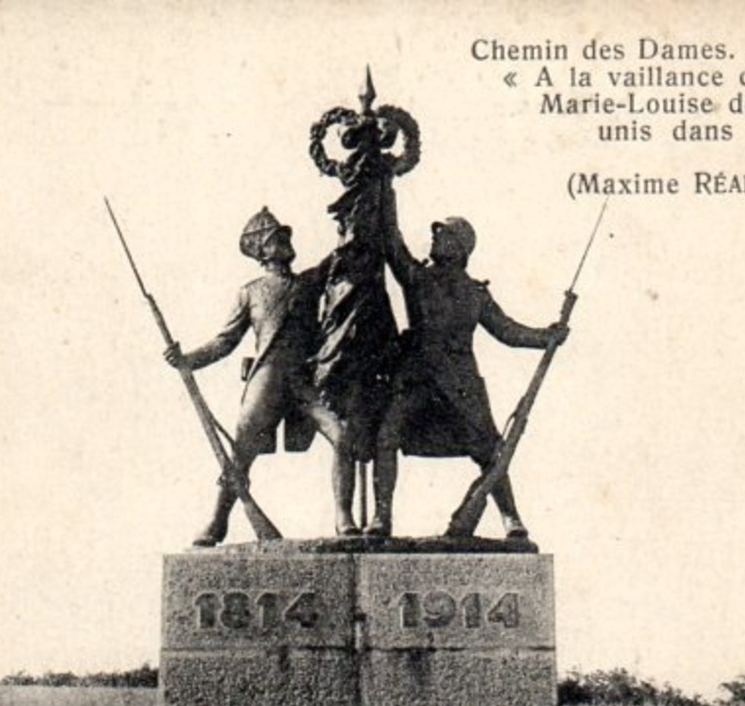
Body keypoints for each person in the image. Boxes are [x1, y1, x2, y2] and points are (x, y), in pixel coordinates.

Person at [371, 182, 568, 538]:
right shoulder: (417, 277)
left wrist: (546, 336)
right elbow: (391, 240)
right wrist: (385, 188)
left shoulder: (475, 293)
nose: (435, 238)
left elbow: (507, 331)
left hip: (460, 382)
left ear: (459, 248)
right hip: (416, 376)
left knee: (490, 449)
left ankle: (511, 518)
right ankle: (381, 517)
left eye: (443, 235)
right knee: (386, 437)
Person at [164, 208, 359, 546]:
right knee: (240, 453)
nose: (286, 241)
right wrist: (187, 360)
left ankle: (344, 517)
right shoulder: (250, 292)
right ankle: (217, 521)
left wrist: (349, 225)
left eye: (285, 237)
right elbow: (224, 341)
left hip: (303, 381)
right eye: (278, 239)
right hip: (266, 379)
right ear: (263, 251)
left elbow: (340, 256)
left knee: (342, 436)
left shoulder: (308, 282)